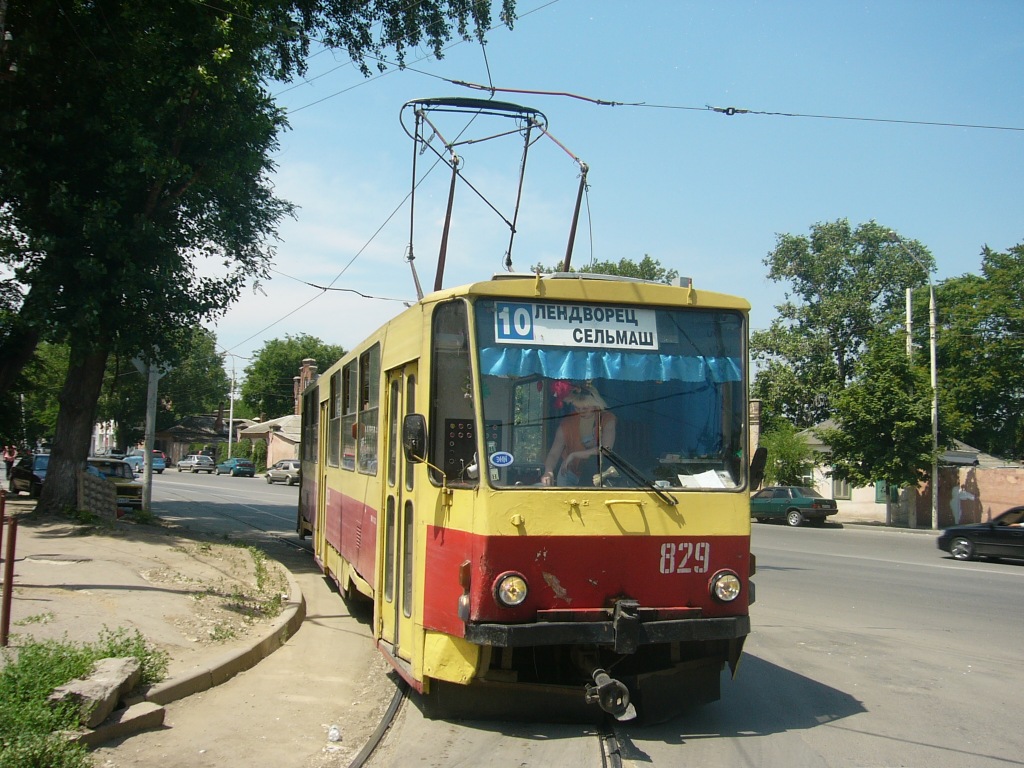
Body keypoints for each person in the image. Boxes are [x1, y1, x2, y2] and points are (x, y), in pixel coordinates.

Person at [541, 383, 616, 487]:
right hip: (568, 472)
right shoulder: (567, 423)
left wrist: (574, 454)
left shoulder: (607, 419)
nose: (581, 411)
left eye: (585, 408)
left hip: (598, 474)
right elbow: (554, 453)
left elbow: (606, 449)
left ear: (596, 405)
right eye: (577, 408)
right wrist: (548, 471)